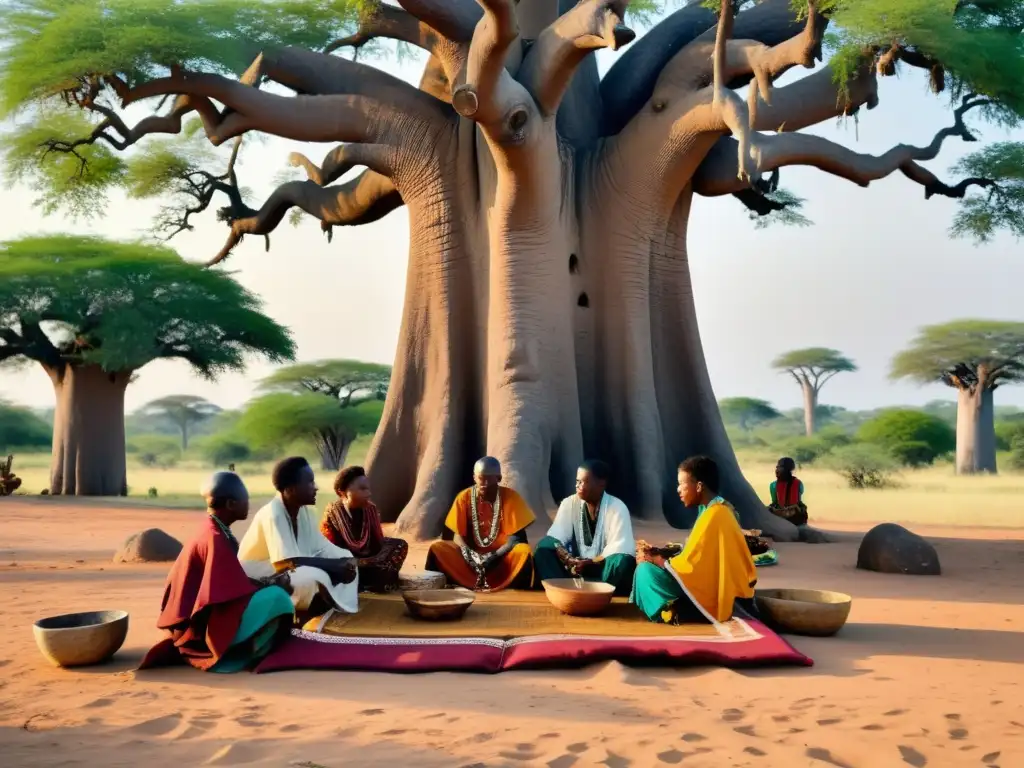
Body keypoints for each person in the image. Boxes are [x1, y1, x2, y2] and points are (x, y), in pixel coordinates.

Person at [140, 472, 295, 672]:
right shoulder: (215, 537)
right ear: (231, 504)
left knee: (272, 589)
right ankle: (248, 652)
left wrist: (265, 582)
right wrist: (271, 585)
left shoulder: (213, 528)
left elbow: (228, 579)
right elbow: (226, 591)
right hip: (206, 626)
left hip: (203, 616)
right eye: (245, 500)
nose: (248, 504)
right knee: (278, 598)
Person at [632, 456, 757, 624]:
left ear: (698, 486)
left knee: (645, 571)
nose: (678, 490)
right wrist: (660, 555)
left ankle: (675, 609)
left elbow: (692, 566)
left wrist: (656, 560)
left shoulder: (716, 514)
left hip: (715, 592)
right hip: (710, 582)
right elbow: (699, 555)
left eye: (681, 484)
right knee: (647, 569)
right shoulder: (711, 509)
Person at [238, 457, 359, 616]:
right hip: (257, 575)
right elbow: (284, 562)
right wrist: (332, 566)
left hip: (286, 569)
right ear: (291, 489)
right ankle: (299, 617)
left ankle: (335, 607)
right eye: (309, 482)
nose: (315, 488)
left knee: (345, 558)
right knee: (310, 577)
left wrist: (345, 560)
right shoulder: (273, 513)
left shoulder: (305, 512)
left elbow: (321, 546)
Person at [425, 457, 536, 591]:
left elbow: (516, 539)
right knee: (438, 548)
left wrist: (492, 557)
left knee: (523, 550)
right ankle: (451, 581)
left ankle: (512, 587)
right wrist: (469, 556)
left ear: (499, 478)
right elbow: (452, 535)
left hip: (502, 562)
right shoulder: (464, 497)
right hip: (469, 563)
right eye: (481, 478)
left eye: (489, 478)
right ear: (474, 478)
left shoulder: (511, 497)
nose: (485, 483)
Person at [534, 460, 636, 596]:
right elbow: (556, 536)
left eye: (583, 482)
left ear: (601, 484)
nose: (578, 485)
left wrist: (592, 562)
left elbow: (621, 546)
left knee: (621, 561)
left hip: (602, 569)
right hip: (575, 568)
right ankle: (564, 589)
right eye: (577, 481)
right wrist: (567, 557)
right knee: (543, 548)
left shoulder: (617, 507)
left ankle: (599, 592)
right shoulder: (569, 503)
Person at [320, 466, 408, 593]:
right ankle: (365, 581)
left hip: (367, 561)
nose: (368, 493)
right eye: (362, 489)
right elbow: (331, 550)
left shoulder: (370, 510)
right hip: (346, 562)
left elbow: (378, 544)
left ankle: (372, 580)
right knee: (339, 565)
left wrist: (370, 559)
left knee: (399, 545)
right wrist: (356, 561)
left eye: (368, 489)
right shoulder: (333, 513)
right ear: (342, 493)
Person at [768, 456, 808, 526]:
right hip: (796, 517)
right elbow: (798, 500)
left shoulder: (773, 485)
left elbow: (775, 501)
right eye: (777, 467)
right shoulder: (799, 483)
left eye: (779, 467)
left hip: (785, 517)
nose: (777, 470)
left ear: (786, 469)